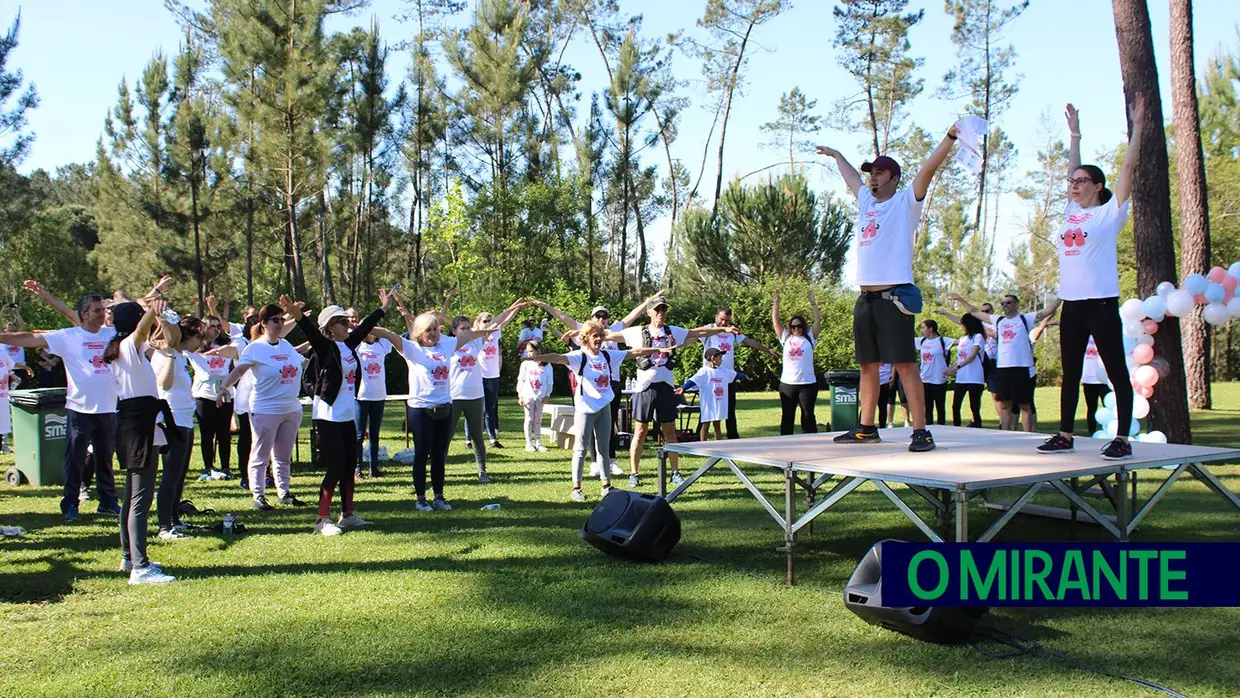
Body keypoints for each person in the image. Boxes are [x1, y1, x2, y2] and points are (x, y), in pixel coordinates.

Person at [817, 125, 960, 452]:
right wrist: (838, 156)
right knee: (867, 365)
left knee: (904, 365)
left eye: (880, 173)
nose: (872, 178)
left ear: (894, 178)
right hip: (865, 298)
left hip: (893, 298)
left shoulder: (906, 203)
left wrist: (949, 137)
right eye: (872, 173)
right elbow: (851, 177)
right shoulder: (866, 202)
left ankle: (921, 431)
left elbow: (928, 168)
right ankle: (867, 427)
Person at [1036, 97, 1144, 459]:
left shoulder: (1110, 214)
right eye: (1072, 181)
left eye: (1082, 181)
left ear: (1098, 186)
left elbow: (1129, 167)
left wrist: (1138, 127)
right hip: (1073, 306)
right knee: (1071, 373)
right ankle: (1065, 434)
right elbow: (1072, 165)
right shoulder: (1071, 212)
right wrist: (1075, 134)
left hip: (1100, 304)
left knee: (1115, 370)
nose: (1074, 185)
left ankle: (1122, 439)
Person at [0, 281, 122, 520]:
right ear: (85, 314)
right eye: (97, 310)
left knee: (105, 459)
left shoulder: (112, 334)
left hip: (108, 408)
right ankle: (70, 503)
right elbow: (30, 338)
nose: (103, 314)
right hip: (80, 409)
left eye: (104, 310)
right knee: (75, 460)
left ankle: (108, 501)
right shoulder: (69, 337)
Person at [528, 319, 670, 501]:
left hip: (604, 407)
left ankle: (606, 486)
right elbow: (558, 357)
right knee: (580, 449)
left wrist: (655, 350)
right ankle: (576, 488)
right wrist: (538, 357)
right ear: (585, 338)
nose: (599, 339)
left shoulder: (607, 355)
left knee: (603, 447)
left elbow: (632, 353)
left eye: (601, 336)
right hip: (585, 409)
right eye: (595, 336)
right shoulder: (579, 356)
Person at [397, 302, 520, 512]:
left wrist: (512, 308)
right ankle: (421, 497)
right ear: (454, 331)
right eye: (461, 328)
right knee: (435, 447)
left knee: (475, 437)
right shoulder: (447, 344)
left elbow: (496, 323)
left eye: (467, 328)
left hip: (473, 397)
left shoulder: (473, 344)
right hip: (451, 398)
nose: (466, 331)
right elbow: (414, 332)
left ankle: (465, 481)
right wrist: (405, 312)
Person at [605, 300, 738, 487]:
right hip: (645, 387)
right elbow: (610, 336)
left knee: (670, 432)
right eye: (658, 310)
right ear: (649, 312)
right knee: (640, 431)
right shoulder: (636, 331)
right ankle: (634, 474)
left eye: (664, 310)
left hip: (666, 386)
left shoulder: (672, 331)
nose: (661, 313)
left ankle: (675, 472)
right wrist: (581, 334)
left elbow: (697, 332)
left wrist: (723, 330)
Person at [290, 290, 391, 535]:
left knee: (348, 466)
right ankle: (321, 520)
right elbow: (311, 333)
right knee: (336, 466)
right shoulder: (325, 347)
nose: (347, 324)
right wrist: (298, 317)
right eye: (341, 321)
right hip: (328, 414)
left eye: (347, 320)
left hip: (346, 413)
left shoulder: (348, 345)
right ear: (330, 327)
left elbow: (366, 324)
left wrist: (384, 308)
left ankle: (347, 514)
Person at [532, 295, 661, 475]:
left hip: (612, 382)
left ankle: (611, 460)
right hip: (591, 384)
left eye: (604, 316)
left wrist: (649, 302)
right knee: (591, 422)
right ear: (592, 319)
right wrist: (544, 305)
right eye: (598, 316)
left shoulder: (614, 330)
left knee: (611, 423)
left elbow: (632, 316)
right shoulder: (583, 329)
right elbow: (562, 317)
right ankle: (594, 462)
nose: (602, 319)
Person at [107, 299, 178, 584]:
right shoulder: (128, 347)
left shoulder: (128, 350)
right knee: (140, 498)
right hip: (139, 426)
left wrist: (159, 316)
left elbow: (169, 338)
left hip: (137, 423)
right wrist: (153, 310)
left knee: (131, 497)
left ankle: (130, 557)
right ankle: (141, 568)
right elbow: (141, 330)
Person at [218, 304, 308, 511]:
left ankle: (284, 493)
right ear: (263, 323)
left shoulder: (285, 345)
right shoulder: (255, 348)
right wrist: (224, 388)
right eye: (275, 320)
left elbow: (303, 364)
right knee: (260, 455)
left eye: (281, 320)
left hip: (290, 408)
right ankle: (258, 496)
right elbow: (239, 370)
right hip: (265, 409)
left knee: (283, 455)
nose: (279, 324)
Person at [949, 292, 1060, 432]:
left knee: (1024, 405)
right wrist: (961, 299)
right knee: (1004, 405)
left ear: (1016, 304)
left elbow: (1048, 310)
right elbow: (975, 312)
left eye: (1008, 302)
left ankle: (1027, 436)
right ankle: (1006, 433)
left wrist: (1062, 296)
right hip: (1002, 368)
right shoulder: (999, 320)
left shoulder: (1025, 319)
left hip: (1021, 367)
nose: (1005, 305)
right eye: (1003, 303)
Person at [151, 315, 207, 540]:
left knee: (180, 476)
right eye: (199, 337)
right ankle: (165, 527)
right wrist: (169, 357)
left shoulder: (182, 356)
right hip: (171, 420)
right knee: (171, 476)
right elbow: (164, 384)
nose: (201, 343)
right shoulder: (166, 354)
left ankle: (175, 520)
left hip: (185, 419)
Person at [699, 306, 778, 439]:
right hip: (711, 377)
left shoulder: (732, 331)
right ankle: (699, 439)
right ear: (716, 317)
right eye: (722, 319)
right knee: (708, 411)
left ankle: (732, 437)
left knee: (730, 409)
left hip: (727, 376)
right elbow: (692, 336)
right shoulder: (709, 329)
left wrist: (767, 350)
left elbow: (748, 341)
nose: (724, 323)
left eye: (727, 321)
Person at [188, 309, 235, 480]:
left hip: (225, 393)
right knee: (207, 433)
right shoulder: (194, 348)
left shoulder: (226, 346)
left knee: (224, 433)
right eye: (211, 326)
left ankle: (226, 466)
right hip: (203, 394)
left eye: (218, 326)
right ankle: (208, 466)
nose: (215, 329)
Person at [351, 306, 394, 479]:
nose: (373, 332)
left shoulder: (382, 345)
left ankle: (373, 468)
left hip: (379, 395)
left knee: (375, 434)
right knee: (359, 434)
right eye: (370, 329)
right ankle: (357, 469)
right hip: (361, 395)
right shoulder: (357, 347)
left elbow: (389, 334)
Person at [771, 290, 822, 435]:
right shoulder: (786, 338)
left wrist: (813, 303)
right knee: (787, 416)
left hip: (807, 384)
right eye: (793, 327)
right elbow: (776, 321)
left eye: (799, 326)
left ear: (803, 326)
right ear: (790, 328)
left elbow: (817, 321)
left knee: (808, 415)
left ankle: (810, 444)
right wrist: (776, 303)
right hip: (788, 384)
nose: (796, 329)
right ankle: (785, 444)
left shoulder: (810, 338)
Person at [678, 347, 737, 442]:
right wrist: (683, 388)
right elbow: (692, 381)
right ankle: (703, 445)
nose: (721, 360)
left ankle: (719, 445)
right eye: (720, 358)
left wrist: (745, 376)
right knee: (705, 425)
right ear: (713, 358)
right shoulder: (704, 371)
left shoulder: (722, 370)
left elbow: (734, 375)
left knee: (717, 425)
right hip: (708, 404)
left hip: (718, 403)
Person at [944, 312, 986, 428]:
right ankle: (956, 426)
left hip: (975, 377)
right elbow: (959, 357)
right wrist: (949, 369)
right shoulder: (963, 338)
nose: (961, 325)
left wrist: (957, 368)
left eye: (963, 323)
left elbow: (972, 356)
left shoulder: (978, 337)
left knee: (974, 406)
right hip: (961, 378)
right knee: (955, 405)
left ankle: (977, 426)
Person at [915, 319, 954, 426]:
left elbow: (962, 342)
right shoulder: (921, 341)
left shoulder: (942, 340)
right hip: (925, 378)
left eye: (923, 328)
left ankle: (941, 427)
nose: (921, 330)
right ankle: (928, 427)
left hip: (939, 379)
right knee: (927, 407)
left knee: (940, 406)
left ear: (930, 329)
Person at [517, 340, 553, 451]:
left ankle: (538, 442)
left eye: (531, 351)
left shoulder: (547, 366)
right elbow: (521, 380)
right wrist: (520, 395)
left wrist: (547, 395)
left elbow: (550, 381)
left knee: (537, 419)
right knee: (529, 418)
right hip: (528, 395)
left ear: (539, 351)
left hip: (540, 396)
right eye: (528, 351)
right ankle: (529, 443)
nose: (529, 354)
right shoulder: (525, 364)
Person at [1081, 336, 1111, 435]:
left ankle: (1110, 430)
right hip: (1088, 380)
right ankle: (1091, 432)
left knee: (1108, 407)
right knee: (1091, 408)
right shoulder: (1083, 336)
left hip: (1103, 380)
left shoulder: (1104, 334)